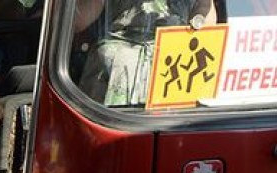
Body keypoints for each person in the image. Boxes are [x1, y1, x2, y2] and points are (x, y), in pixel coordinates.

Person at [74, 0, 217, 106]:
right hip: (119, 70)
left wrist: (197, 22)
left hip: (174, 67)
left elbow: (205, 14)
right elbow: (78, 20)